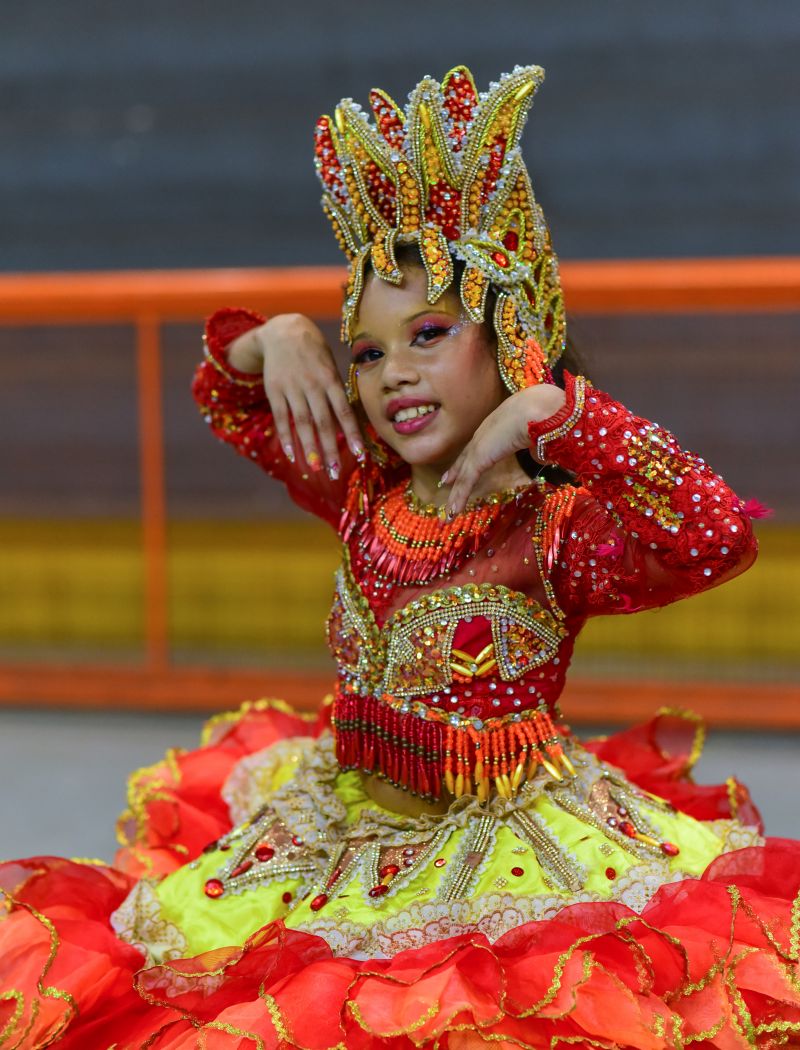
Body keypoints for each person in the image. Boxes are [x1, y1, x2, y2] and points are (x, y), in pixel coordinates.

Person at [1, 63, 798, 1049]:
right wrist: (278, 340)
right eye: (367, 351)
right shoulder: (359, 489)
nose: (393, 373)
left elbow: (713, 537)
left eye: (428, 333)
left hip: (506, 879)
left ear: (511, 337)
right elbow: (231, 399)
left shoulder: (554, 534)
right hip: (335, 838)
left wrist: (566, 415)